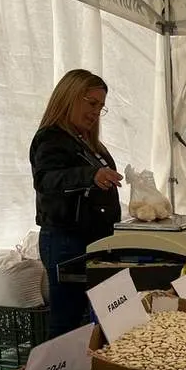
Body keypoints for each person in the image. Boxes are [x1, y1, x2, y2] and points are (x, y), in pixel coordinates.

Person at [31, 69, 122, 339]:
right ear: (70, 97)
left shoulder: (88, 142)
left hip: (94, 239)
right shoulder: (50, 139)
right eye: (91, 103)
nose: (96, 112)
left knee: (94, 317)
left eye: (101, 107)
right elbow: (46, 180)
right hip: (66, 241)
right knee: (67, 321)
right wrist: (90, 175)